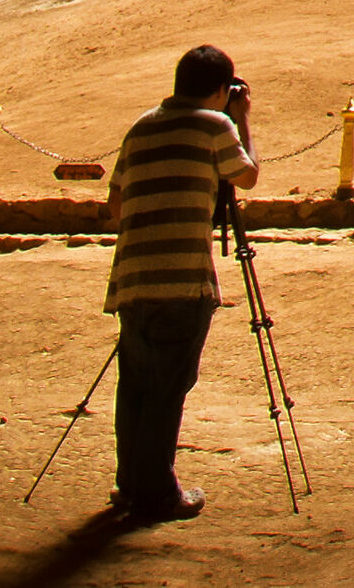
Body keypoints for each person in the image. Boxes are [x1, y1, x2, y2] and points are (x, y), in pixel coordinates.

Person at [103, 43, 259, 525]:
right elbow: (247, 176)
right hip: (183, 280)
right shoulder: (215, 125)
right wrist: (241, 119)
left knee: (135, 385)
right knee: (168, 387)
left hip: (132, 278)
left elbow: (115, 204)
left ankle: (131, 484)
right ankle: (158, 495)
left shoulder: (141, 127)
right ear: (222, 89)